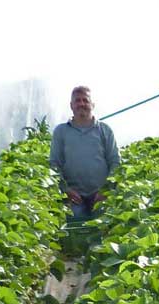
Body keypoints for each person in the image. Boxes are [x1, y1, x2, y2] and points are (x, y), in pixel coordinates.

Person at [49, 86, 120, 218]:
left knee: (104, 227)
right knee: (75, 223)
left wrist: (106, 190)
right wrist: (66, 190)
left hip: (101, 196)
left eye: (85, 100)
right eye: (77, 101)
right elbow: (54, 164)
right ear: (71, 105)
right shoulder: (61, 131)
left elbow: (115, 162)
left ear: (92, 104)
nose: (81, 104)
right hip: (73, 198)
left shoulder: (105, 130)